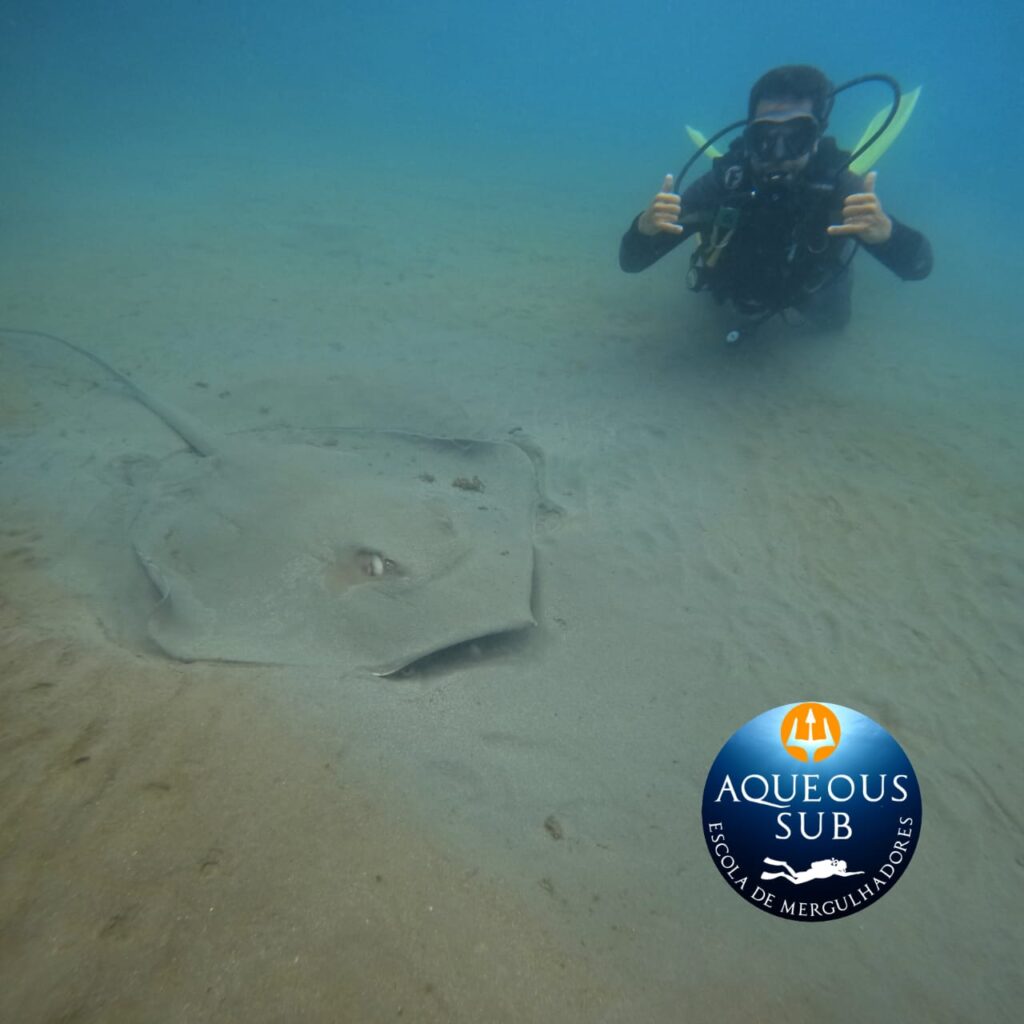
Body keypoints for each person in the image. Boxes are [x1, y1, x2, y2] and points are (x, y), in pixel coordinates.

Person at [619, 65, 933, 339]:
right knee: (712, 299)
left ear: (817, 137)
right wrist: (644, 229)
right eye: (764, 138)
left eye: (796, 136)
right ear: (749, 134)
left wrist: (887, 235)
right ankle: (710, 238)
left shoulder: (838, 186)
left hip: (808, 289)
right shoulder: (728, 180)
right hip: (733, 288)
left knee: (832, 323)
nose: (778, 155)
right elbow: (631, 262)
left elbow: (919, 266)